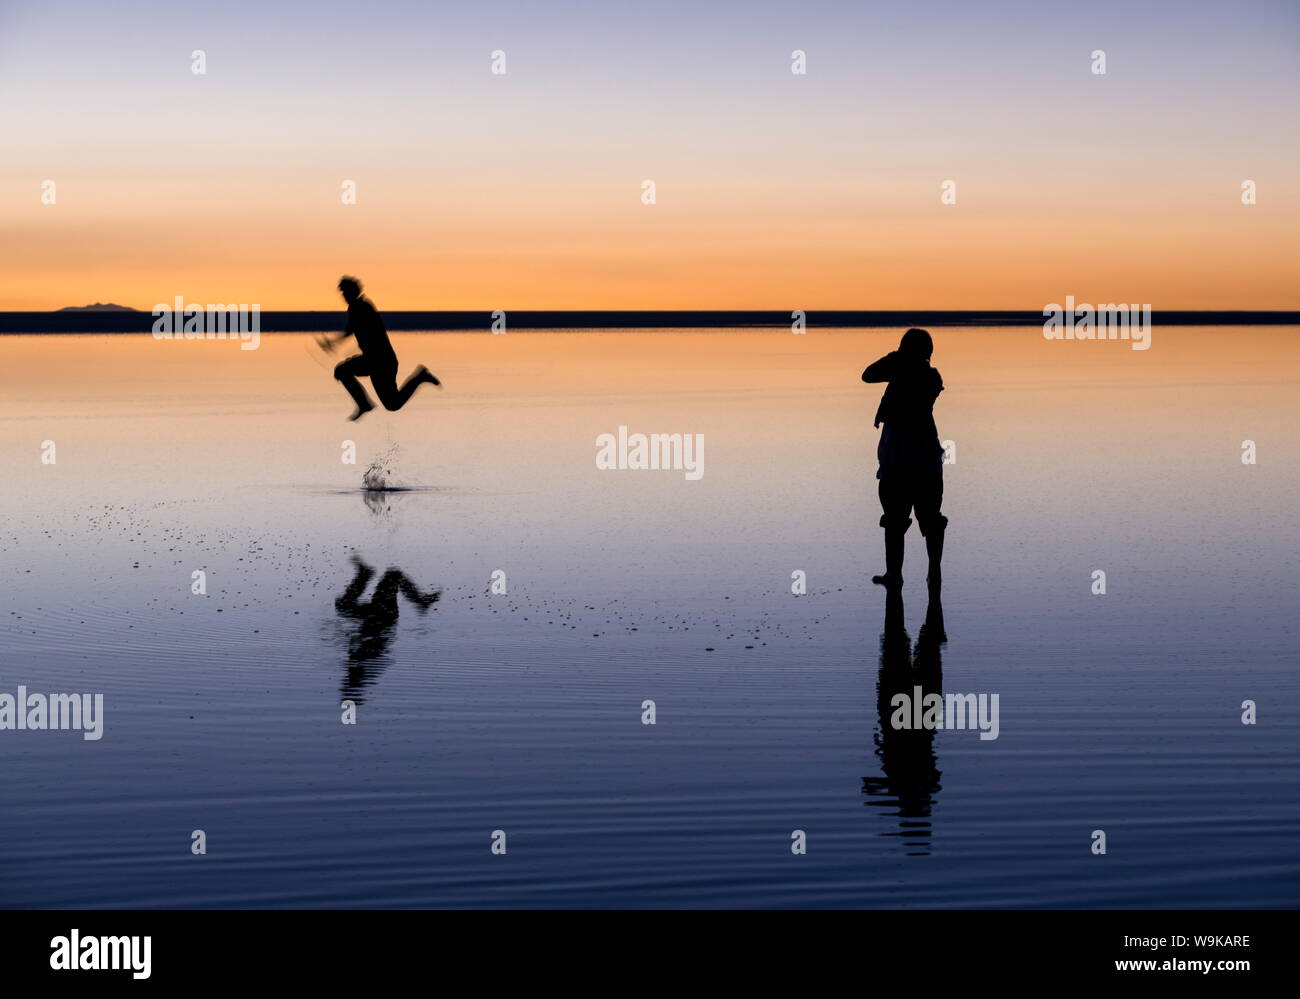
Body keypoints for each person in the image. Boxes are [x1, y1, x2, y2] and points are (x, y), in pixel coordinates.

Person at [861, 328, 947, 589]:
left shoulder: (907, 373)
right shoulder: (931, 376)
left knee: (896, 520)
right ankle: (931, 572)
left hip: (899, 461)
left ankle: (897, 574)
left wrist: (895, 358)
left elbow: (868, 374)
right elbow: (868, 376)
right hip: (926, 461)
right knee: (927, 519)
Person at [318, 276, 440, 421]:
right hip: (374, 360)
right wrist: (334, 343)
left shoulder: (360, 307)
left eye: (346, 293)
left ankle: (365, 404)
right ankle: (419, 377)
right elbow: (352, 330)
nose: (344, 296)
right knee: (392, 404)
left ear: (353, 292)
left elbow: (353, 329)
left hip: (381, 361)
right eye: (343, 294)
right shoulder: (357, 307)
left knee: (342, 371)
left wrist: (333, 343)